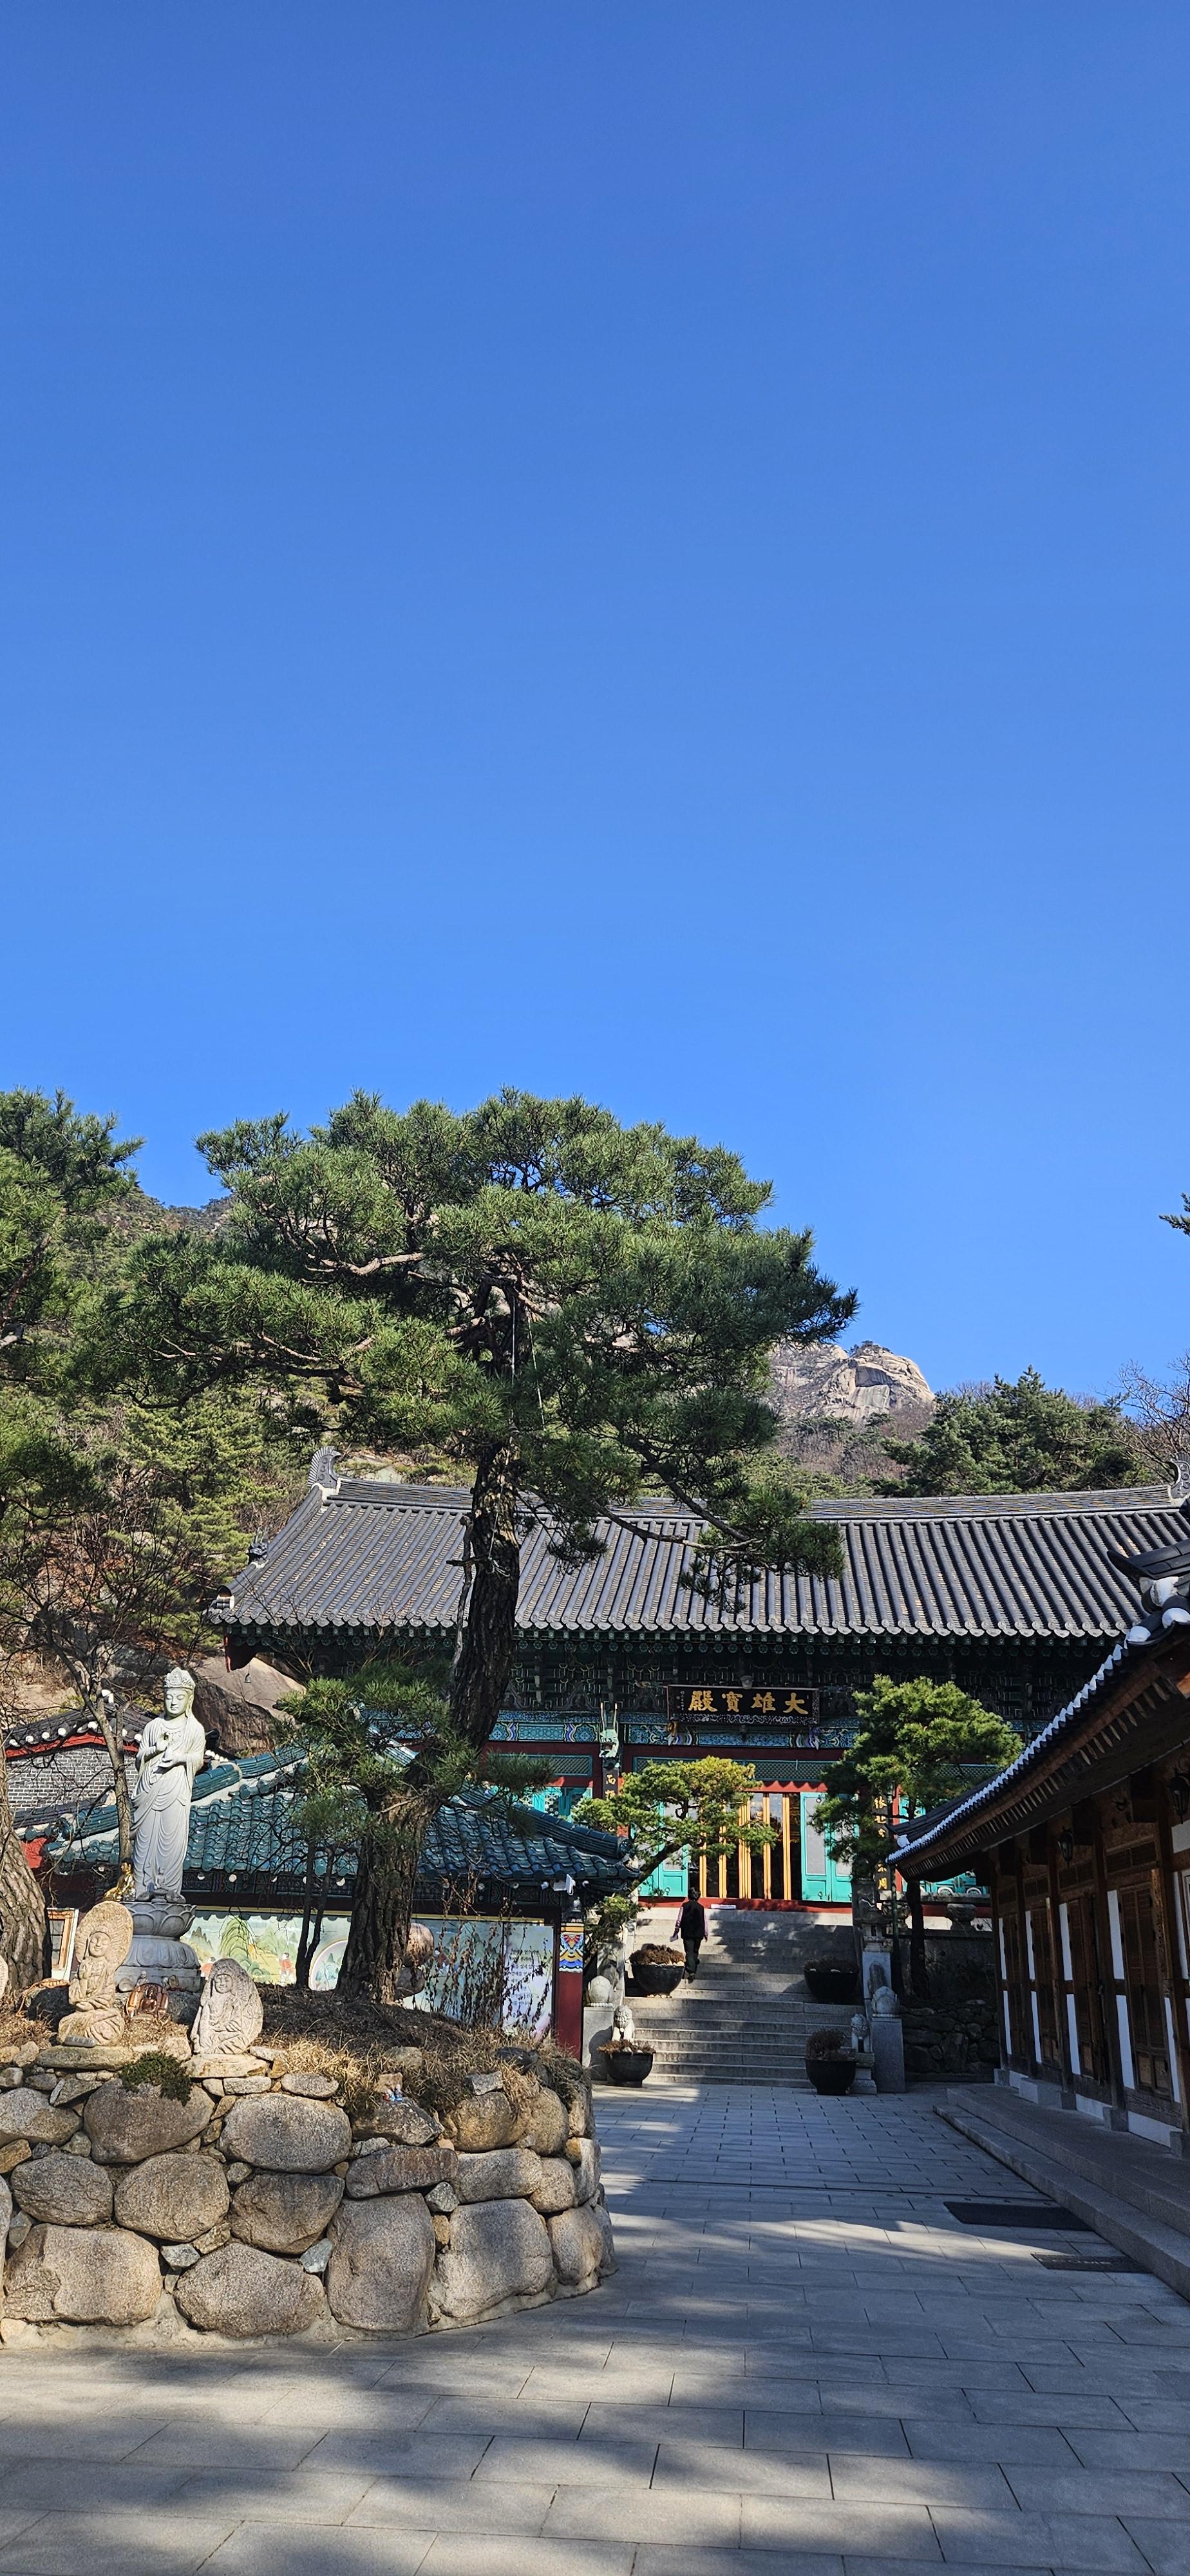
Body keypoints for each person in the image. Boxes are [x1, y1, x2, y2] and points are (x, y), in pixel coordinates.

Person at [674, 1893, 707, 1981]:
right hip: (699, 1933)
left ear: (689, 1896)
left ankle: (691, 1971)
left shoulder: (684, 1906)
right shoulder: (701, 1907)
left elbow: (679, 1919)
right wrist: (706, 1933)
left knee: (689, 1952)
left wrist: (677, 1929)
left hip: (687, 1932)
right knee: (695, 1951)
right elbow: (705, 1921)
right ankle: (694, 1964)